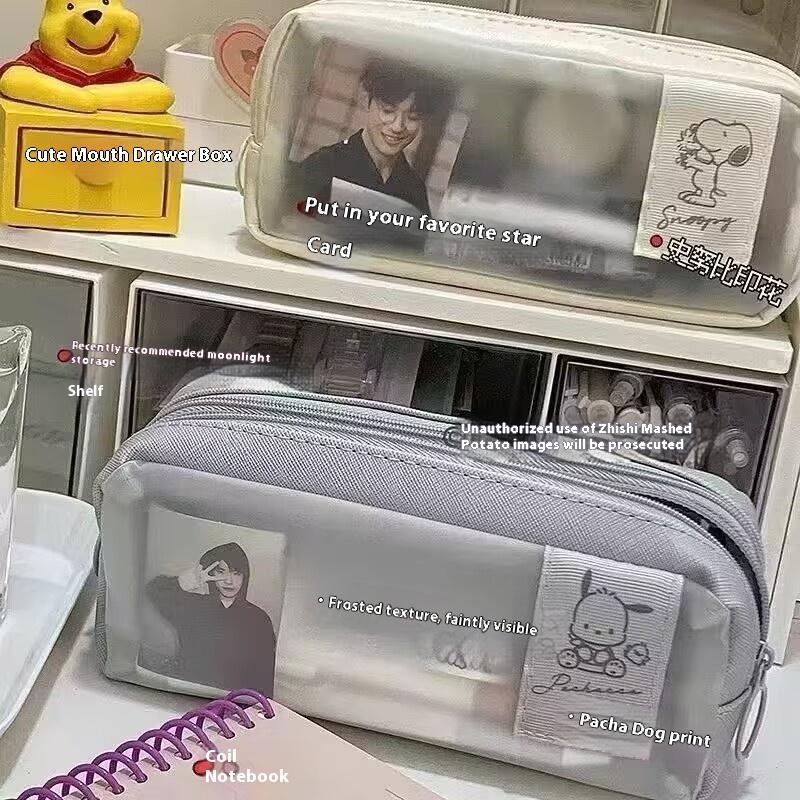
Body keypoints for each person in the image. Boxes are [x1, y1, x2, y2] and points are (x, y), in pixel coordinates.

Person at [293, 59, 447, 216]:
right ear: (366, 99)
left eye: (413, 117)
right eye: (388, 111)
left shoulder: (414, 190)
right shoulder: (323, 166)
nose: (397, 127)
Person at [146, 542, 276, 695]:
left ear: (244, 577)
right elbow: (153, 590)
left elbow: (264, 677)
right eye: (221, 572)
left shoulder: (259, 619)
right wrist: (186, 582)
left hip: (233, 703)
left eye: (236, 573)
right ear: (211, 574)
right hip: (183, 693)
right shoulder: (191, 606)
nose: (229, 581)